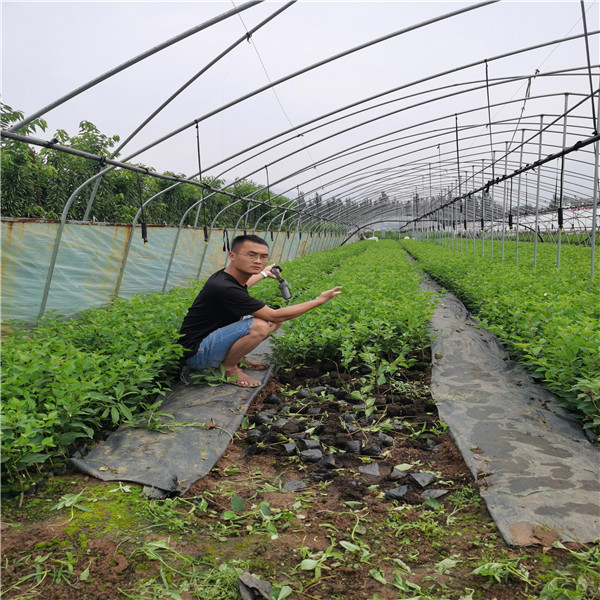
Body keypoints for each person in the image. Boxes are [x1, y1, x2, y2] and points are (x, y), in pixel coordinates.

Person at [178, 234, 342, 388]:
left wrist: (264, 273)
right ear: (232, 256)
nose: (258, 260)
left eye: (263, 257)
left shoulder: (227, 277)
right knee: (261, 324)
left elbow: (245, 286)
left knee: (271, 322)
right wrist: (318, 301)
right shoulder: (224, 287)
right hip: (197, 354)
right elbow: (273, 315)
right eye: (251, 255)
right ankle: (228, 369)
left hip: (208, 342)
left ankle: (237, 358)